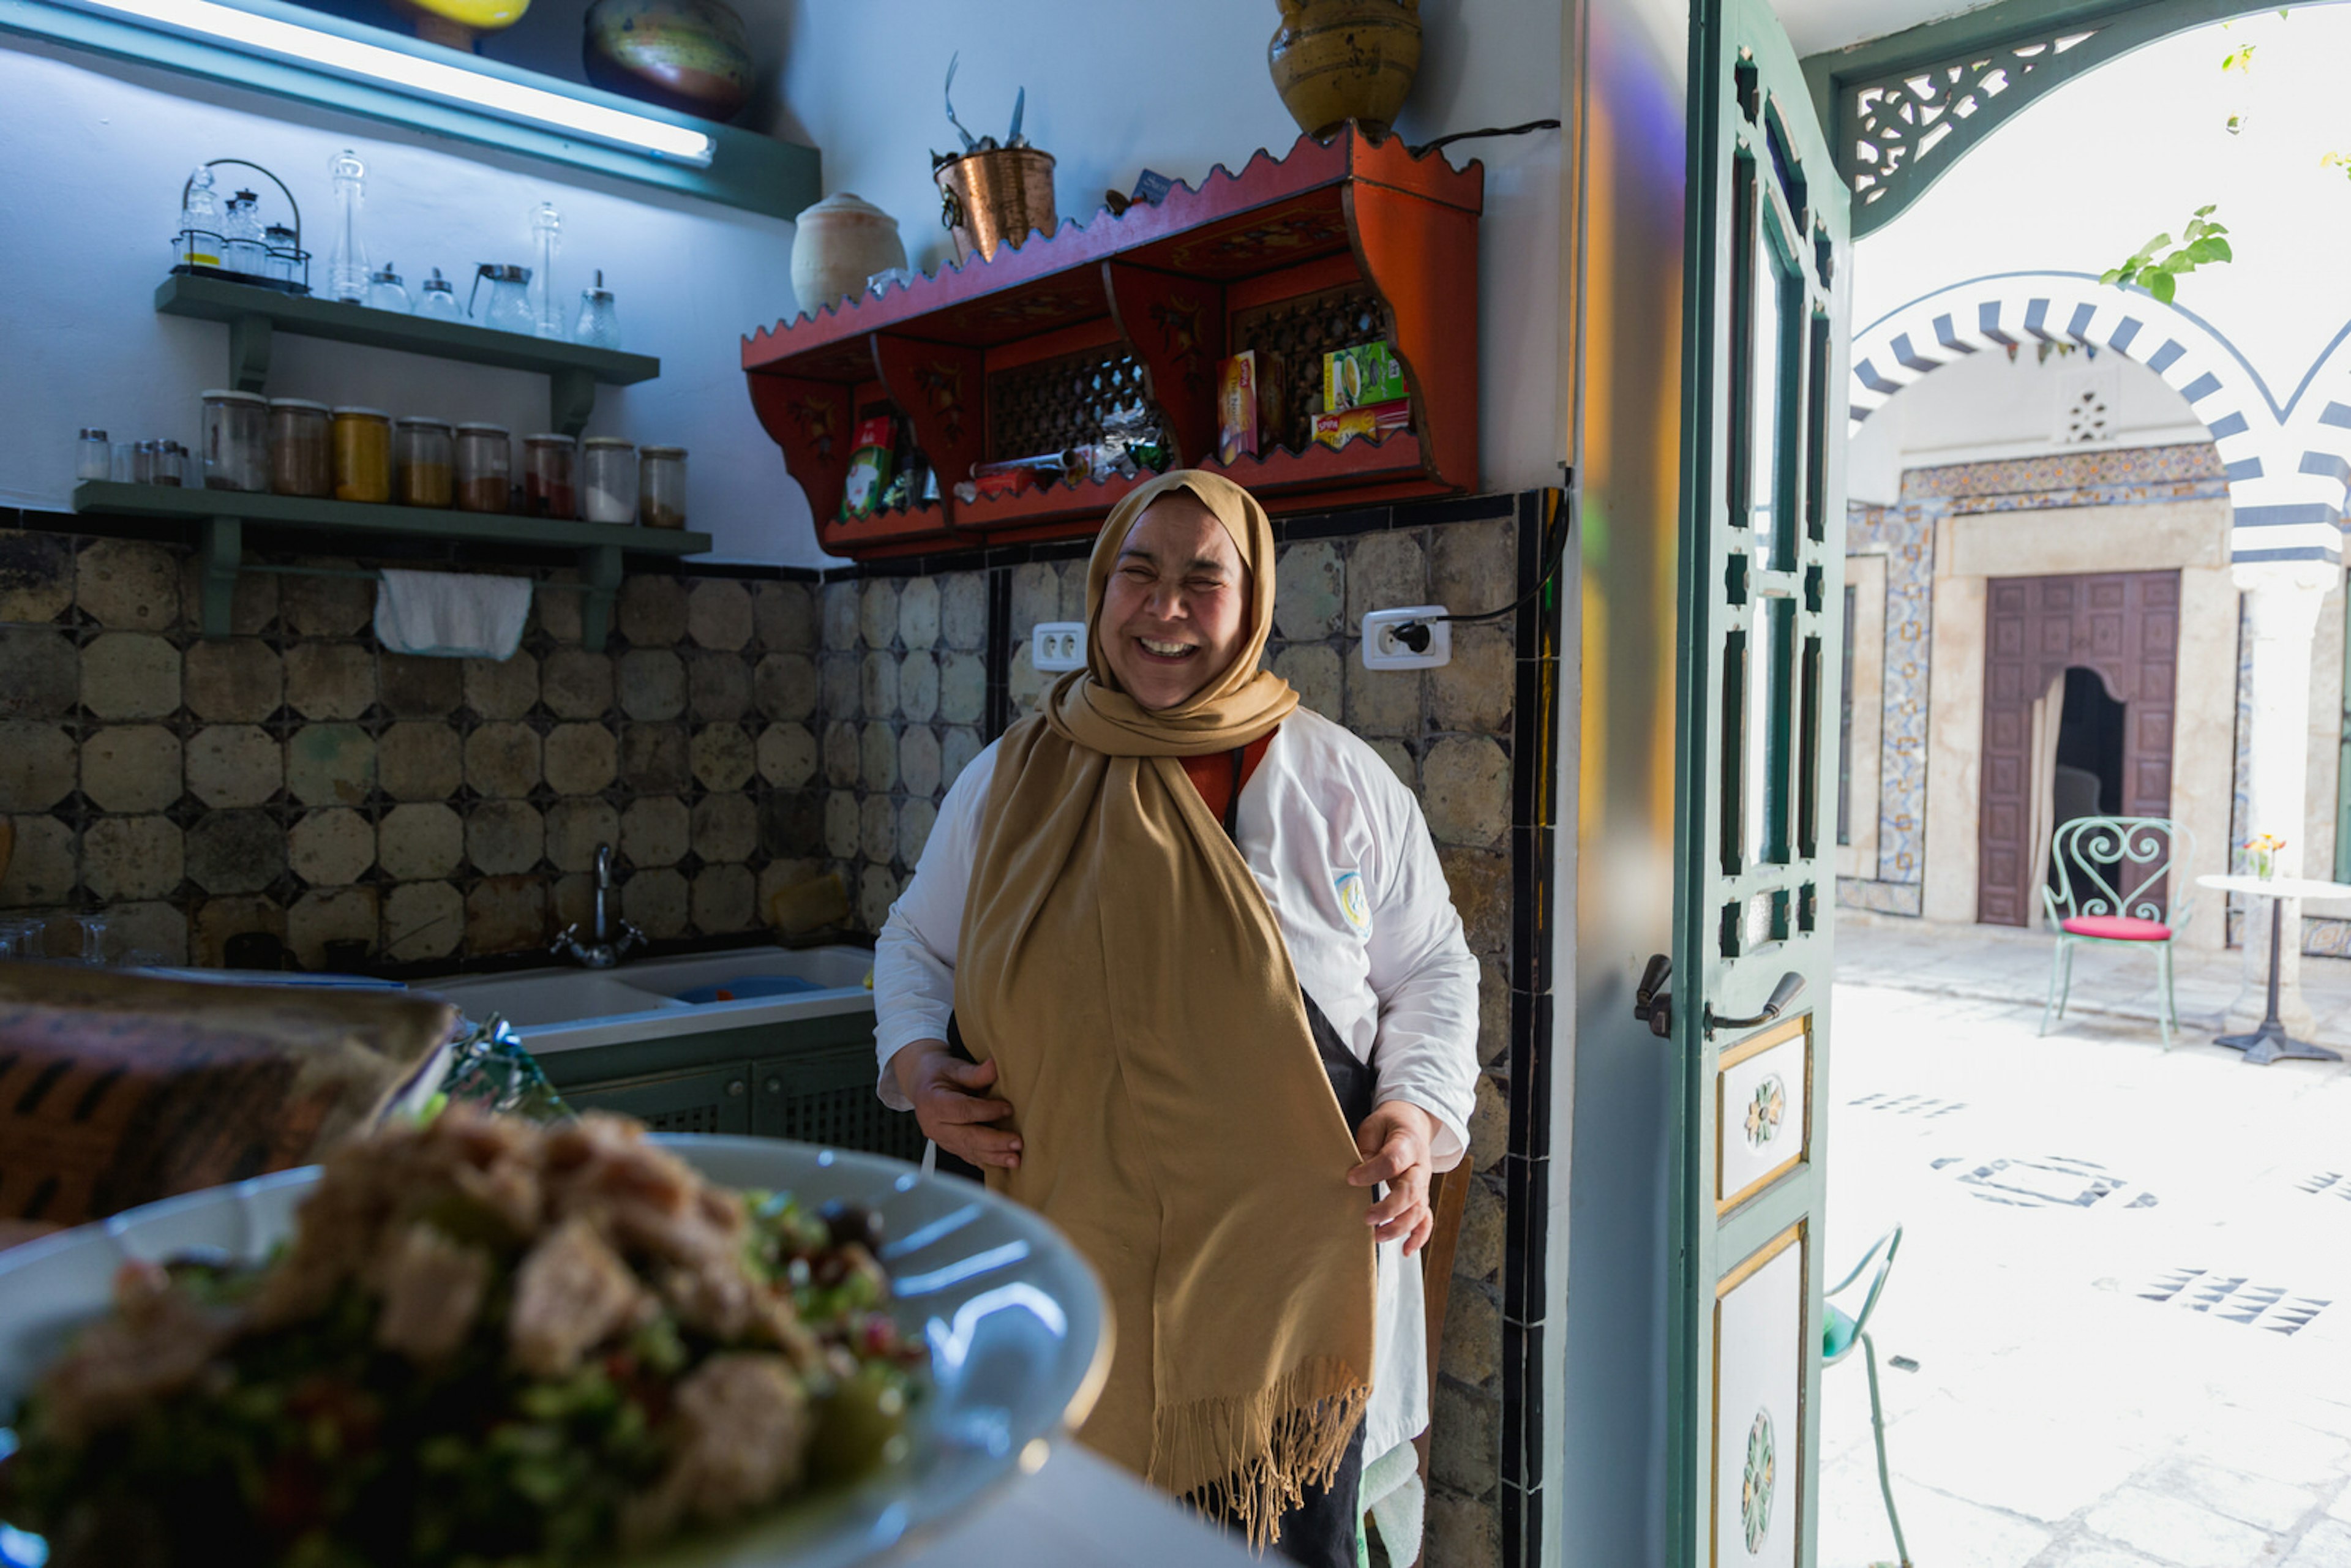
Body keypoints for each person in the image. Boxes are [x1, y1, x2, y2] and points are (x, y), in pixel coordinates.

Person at [872, 469, 1478, 1566]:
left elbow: (1432, 966)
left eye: (1205, 580)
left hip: (1275, 1328)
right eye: (1138, 575)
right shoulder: (1009, 779)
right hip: (1047, 1281)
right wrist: (919, 1068)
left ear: (1253, 608)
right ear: (1101, 593)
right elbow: (915, 944)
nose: (1165, 607)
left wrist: (1415, 1109)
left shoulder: (1336, 785)